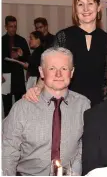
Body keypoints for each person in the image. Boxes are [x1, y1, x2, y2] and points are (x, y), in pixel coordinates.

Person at [2, 47, 90, 175]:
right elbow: (8, 151)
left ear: (71, 72)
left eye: (64, 69)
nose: (58, 74)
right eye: (52, 68)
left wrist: (74, 172)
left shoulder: (83, 105)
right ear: (41, 72)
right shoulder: (22, 108)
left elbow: (84, 145)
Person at [25, 0, 107, 107]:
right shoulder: (64, 36)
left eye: (90, 3)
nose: (86, 9)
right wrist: (37, 88)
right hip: (68, 106)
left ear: (99, 7)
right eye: (80, 4)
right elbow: (49, 66)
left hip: (100, 107)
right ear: (75, 8)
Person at [2, 15, 30, 117]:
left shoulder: (21, 40)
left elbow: (28, 58)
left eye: (15, 26)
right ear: (6, 27)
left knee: (20, 103)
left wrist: (21, 55)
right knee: (7, 104)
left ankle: (20, 128)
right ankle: (6, 129)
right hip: (4, 76)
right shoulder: (2, 40)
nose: (13, 29)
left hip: (18, 75)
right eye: (11, 26)